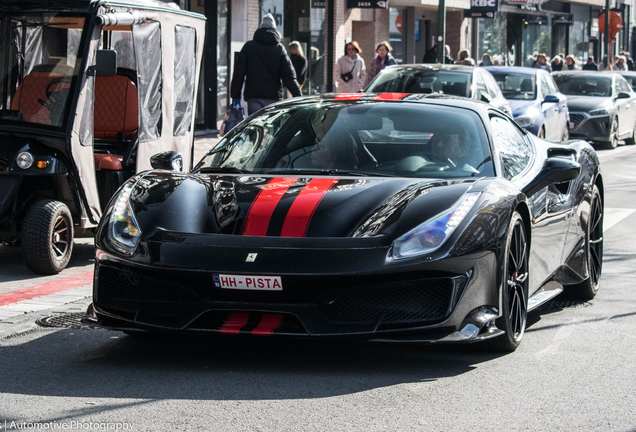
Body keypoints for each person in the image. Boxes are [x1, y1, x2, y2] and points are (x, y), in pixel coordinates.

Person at [230, 13, 301, 115]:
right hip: (273, 97)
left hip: (253, 96)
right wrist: (298, 96)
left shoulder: (249, 47)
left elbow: (238, 73)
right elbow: (289, 76)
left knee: (255, 126)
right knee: (272, 127)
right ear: (275, 30)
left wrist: (235, 95)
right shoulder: (279, 49)